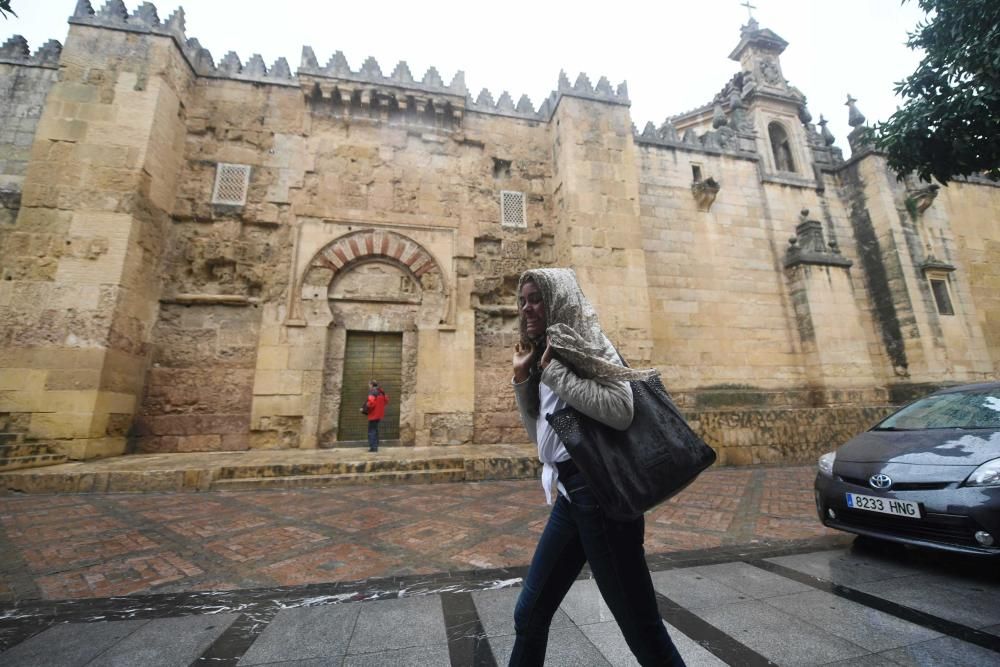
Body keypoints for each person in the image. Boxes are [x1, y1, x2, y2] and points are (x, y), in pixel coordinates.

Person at [510, 268, 685, 666]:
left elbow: (622, 410)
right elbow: (542, 437)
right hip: (573, 497)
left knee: (642, 630)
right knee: (530, 614)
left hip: (603, 496)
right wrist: (524, 378)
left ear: (558, 297)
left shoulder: (586, 341)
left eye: (535, 298)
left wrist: (554, 372)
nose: (527, 308)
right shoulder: (546, 349)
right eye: (522, 301)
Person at [365, 380, 389, 452]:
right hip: (379, 414)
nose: (368, 386)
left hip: (373, 414)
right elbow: (386, 400)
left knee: (371, 431)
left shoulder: (372, 392)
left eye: (369, 385)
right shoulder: (381, 392)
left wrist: (365, 407)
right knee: (375, 429)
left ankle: (373, 447)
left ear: (372, 385)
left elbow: (371, 403)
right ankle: (376, 445)